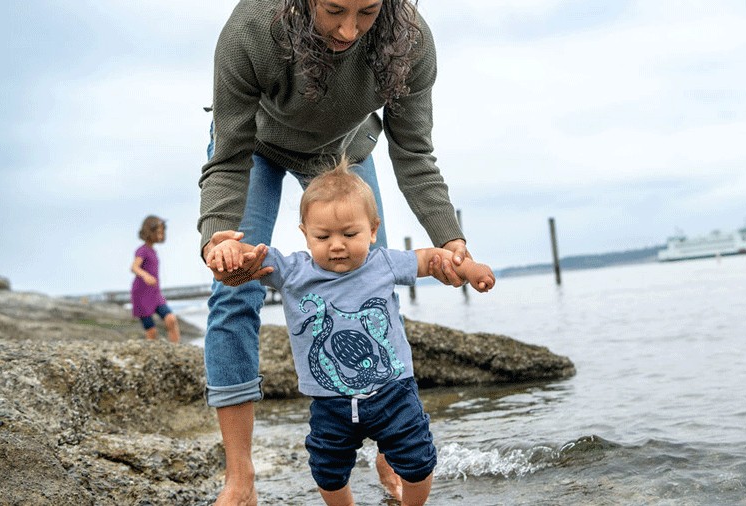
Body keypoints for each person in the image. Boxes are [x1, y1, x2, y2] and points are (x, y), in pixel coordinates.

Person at [198, 1, 477, 504]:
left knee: (374, 277)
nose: (348, 30)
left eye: (367, 12)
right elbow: (228, 155)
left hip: (341, 150)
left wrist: (451, 241)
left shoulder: (410, 38)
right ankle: (240, 478)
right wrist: (217, 234)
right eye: (333, 10)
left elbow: (414, 153)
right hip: (253, 147)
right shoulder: (251, 30)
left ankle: (389, 445)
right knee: (234, 291)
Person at [207, 160, 494, 505]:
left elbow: (433, 260)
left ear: (373, 230)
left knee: (418, 462)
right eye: (323, 236)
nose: (337, 245)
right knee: (327, 471)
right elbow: (252, 255)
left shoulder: (384, 262)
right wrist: (227, 249)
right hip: (330, 403)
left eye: (350, 234)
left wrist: (472, 268)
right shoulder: (292, 271)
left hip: (393, 392)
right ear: (305, 234)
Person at [130, 215, 181, 343]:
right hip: (141, 294)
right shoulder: (142, 250)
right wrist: (146, 275)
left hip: (155, 293)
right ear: (149, 232)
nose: (160, 235)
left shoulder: (153, 251)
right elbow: (134, 267)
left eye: (161, 232)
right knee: (152, 332)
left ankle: (177, 349)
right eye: (157, 232)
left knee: (171, 319)